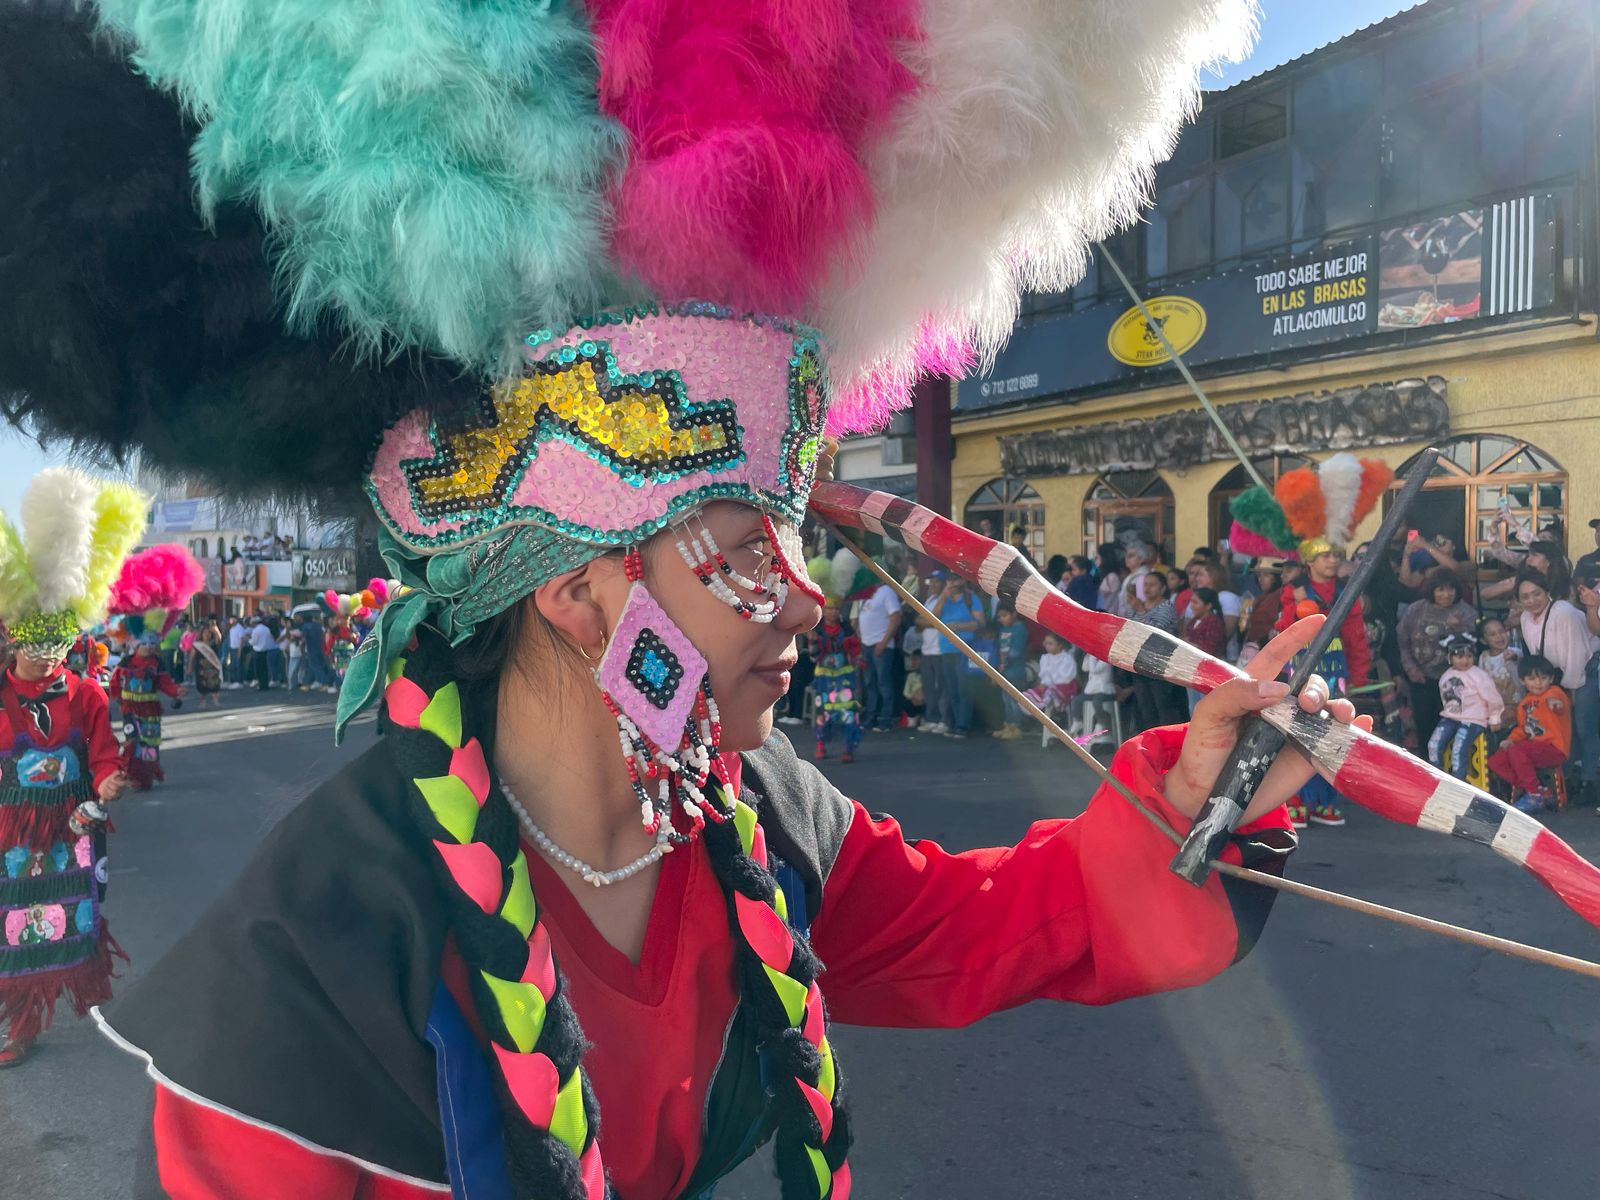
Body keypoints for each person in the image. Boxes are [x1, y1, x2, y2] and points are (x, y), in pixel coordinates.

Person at [5, 6, 1367, 1192]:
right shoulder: (313, 951)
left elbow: (1002, 926)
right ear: (586, 595)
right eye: (744, 552)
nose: (803, 604)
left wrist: (1203, 792)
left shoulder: (750, 815)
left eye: (786, 545)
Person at [0, 468, 142, 1067]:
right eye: (36, 640)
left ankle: (28, 1022)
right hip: (9, 831)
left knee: (53, 928)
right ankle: (17, 1017)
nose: (47, 654)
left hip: (70, 830)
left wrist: (109, 780)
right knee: (9, 929)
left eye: (59, 640)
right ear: (12, 636)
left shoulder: (88, 695)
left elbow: (106, 755)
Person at [1515, 571, 1598, 805]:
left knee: (1583, 725)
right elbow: (1535, 655)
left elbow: (1577, 653)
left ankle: (1589, 780)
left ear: (1547, 592)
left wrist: (1571, 689)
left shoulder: (1564, 613)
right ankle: (1567, 779)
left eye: (1536, 594)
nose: (1532, 601)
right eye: (1525, 597)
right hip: (1554, 675)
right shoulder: (1525, 618)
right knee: (1561, 727)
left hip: (1585, 667)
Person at [1397, 569, 1477, 748]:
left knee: (1452, 727)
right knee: (1425, 725)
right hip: (1421, 678)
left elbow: (1471, 645)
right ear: (1431, 590)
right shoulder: (1416, 610)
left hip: (1454, 681)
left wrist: (1458, 628)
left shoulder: (1466, 612)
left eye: (1450, 589)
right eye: (1440, 590)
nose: (1446, 594)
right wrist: (1410, 668)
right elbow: (1402, 641)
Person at [1488, 655, 1571, 813]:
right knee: (1496, 761)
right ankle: (1540, 791)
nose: (1538, 683)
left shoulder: (1554, 692)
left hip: (1554, 748)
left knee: (1518, 750)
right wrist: (1511, 740)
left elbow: (1559, 702)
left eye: (1543, 678)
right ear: (1523, 680)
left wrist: (1556, 704)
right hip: (1532, 749)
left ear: (1551, 678)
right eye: (1532, 679)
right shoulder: (1524, 703)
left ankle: (1533, 795)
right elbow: (1523, 729)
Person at [1427, 635, 1504, 780]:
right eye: (1459, 657)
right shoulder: (1446, 675)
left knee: (1458, 748)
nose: (1465, 660)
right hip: (1451, 717)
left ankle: (1458, 781)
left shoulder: (1479, 676)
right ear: (1450, 658)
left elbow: (1493, 698)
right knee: (1434, 743)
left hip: (1473, 719)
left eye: (1469, 656)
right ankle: (1434, 776)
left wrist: (1494, 718)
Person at [1127, 573, 1186, 730]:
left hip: (1162, 664)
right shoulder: (1135, 607)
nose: (1147, 588)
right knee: (1146, 708)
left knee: (1164, 707)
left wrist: (1139, 610)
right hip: (1140, 663)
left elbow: (1155, 630)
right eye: (1145, 584)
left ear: (1163, 588)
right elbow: (1130, 629)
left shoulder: (1166, 607)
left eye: (1152, 584)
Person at [928, 577, 982, 738]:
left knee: (963, 689)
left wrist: (958, 626)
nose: (952, 583)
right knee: (952, 690)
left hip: (964, 649)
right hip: (946, 649)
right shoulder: (943, 599)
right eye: (949, 580)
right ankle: (955, 722)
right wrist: (944, 596)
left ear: (962, 581)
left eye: (956, 580)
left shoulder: (971, 598)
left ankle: (963, 725)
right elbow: (933, 618)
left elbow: (979, 623)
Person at [811, 601, 862, 763]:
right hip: (824, 679)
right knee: (823, 711)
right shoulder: (817, 631)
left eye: (836, 609)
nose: (832, 612)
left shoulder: (847, 630)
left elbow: (857, 651)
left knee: (848, 713)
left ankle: (848, 748)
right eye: (829, 609)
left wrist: (853, 658)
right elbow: (813, 656)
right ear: (823, 611)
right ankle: (820, 744)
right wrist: (814, 644)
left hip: (844, 678)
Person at [854, 581, 902, 733]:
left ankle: (886, 719)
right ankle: (871, 717)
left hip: (881, 645)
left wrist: (884, 642)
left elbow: (896, 617)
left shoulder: (887, 591)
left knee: (883, 683)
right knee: (870, 683)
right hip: (867, 645)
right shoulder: (866, 594)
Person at [1181, 587, 1228, 714]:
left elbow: (1209, 648)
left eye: (1195, 602)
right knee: (1193, 707)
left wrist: (1188, 643)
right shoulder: (1194, 621)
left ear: (1208, 606)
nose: (1191, 606)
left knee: (1205, 708)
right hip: (1193, 669)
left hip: (1208, 671)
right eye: (1191, 602)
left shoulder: (1214, 622)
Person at [991, 605, 1031, 740]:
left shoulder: (1019, 629)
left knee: (1014, 701)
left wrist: (1004, 664)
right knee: (1006, 700)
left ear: (1014, 613)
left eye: (1005, 615)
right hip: (1005, 671)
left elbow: (1016, 651)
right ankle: (1008, 725)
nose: (1002, 619)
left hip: (1016, 671)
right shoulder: (1003, 629)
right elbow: (999, 648)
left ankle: (1016, 726)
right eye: (1000, 617)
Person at [1024, 632, 1079, 719]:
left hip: (1065, 686)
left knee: (1050, 692)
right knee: (1029, 695)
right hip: (1049, 685)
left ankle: (1057, 714)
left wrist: (1050, 684)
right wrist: (1044, 683)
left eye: (1050, 643)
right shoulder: (1045, 658)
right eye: (1045, 643)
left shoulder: (1067, 658)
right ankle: (1042, 717)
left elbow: (1066, 678)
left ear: (1060, 645)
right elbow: (1046, 675)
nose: (1047, 646)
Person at [1479, 618, 1523, 723]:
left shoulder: (1513, 652)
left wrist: (1513, 656)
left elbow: (1518, 656)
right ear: (1483, 640)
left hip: (1516, 704)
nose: (1499, 636)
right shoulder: (1483, 657)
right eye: (1492, 634)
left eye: (1501, 631)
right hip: (1495, 706)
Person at [191, 625, 224, 709]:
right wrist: (189, 666)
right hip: (201, 667)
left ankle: (216, 700)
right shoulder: (197, 645)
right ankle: (202, 701)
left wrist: (216, 630)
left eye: (209, 633)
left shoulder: (213, 643)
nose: (207, 634)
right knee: (202, 684)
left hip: (212, 666)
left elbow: (219, 640)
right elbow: (192, 656)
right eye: (205, 632)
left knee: (215, 683)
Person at [1095, 543, 1124, 616]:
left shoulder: (1112, 577)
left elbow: (1105, 597)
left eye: (1097, 557)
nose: (1095, 560)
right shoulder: (1104, 575)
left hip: (1109, 614)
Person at [901, 650, 925, 729]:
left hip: (924, 699)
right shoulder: (911, 676)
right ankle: (913, 716)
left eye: (915, 659)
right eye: (912, 660)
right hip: (914, 700)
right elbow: (906, 692)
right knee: (905, 701)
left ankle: (924, 717)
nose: (913, 663)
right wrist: (913, 696)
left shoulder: (927, 675)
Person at [225, 616, 246, 689]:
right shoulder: (231, 629)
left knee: (238, 665)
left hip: (237, 649)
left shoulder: (240, 628)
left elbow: (241, 640)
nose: (230, 621)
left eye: (232, 619)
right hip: (232, 648)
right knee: (232, 665)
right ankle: (233, 681)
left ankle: (239, 681)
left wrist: (239, 651)